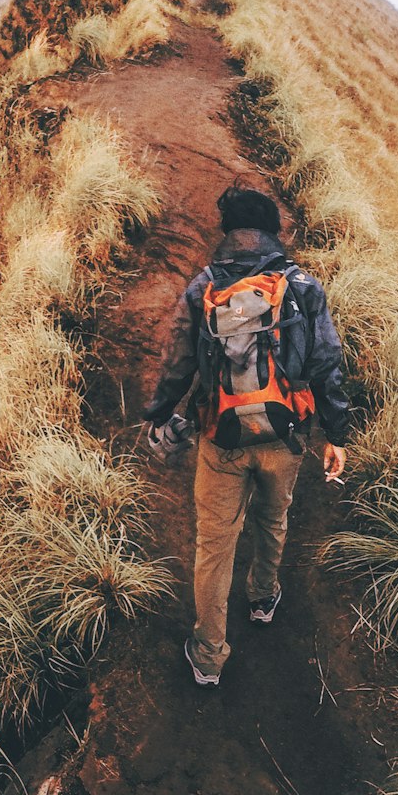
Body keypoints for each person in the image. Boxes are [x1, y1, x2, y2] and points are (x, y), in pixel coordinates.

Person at [143, 185, 349, 687]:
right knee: (273, 517)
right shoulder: (303, 287)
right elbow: (327, 364)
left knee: (214, 546)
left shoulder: (203, 288)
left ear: (227, 232)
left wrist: (159, 412)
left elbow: (178, 362)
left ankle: (209, 656)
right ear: (272, 232)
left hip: (222, 437)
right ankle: (262, 598)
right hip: (285, 435)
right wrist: (335, 434)